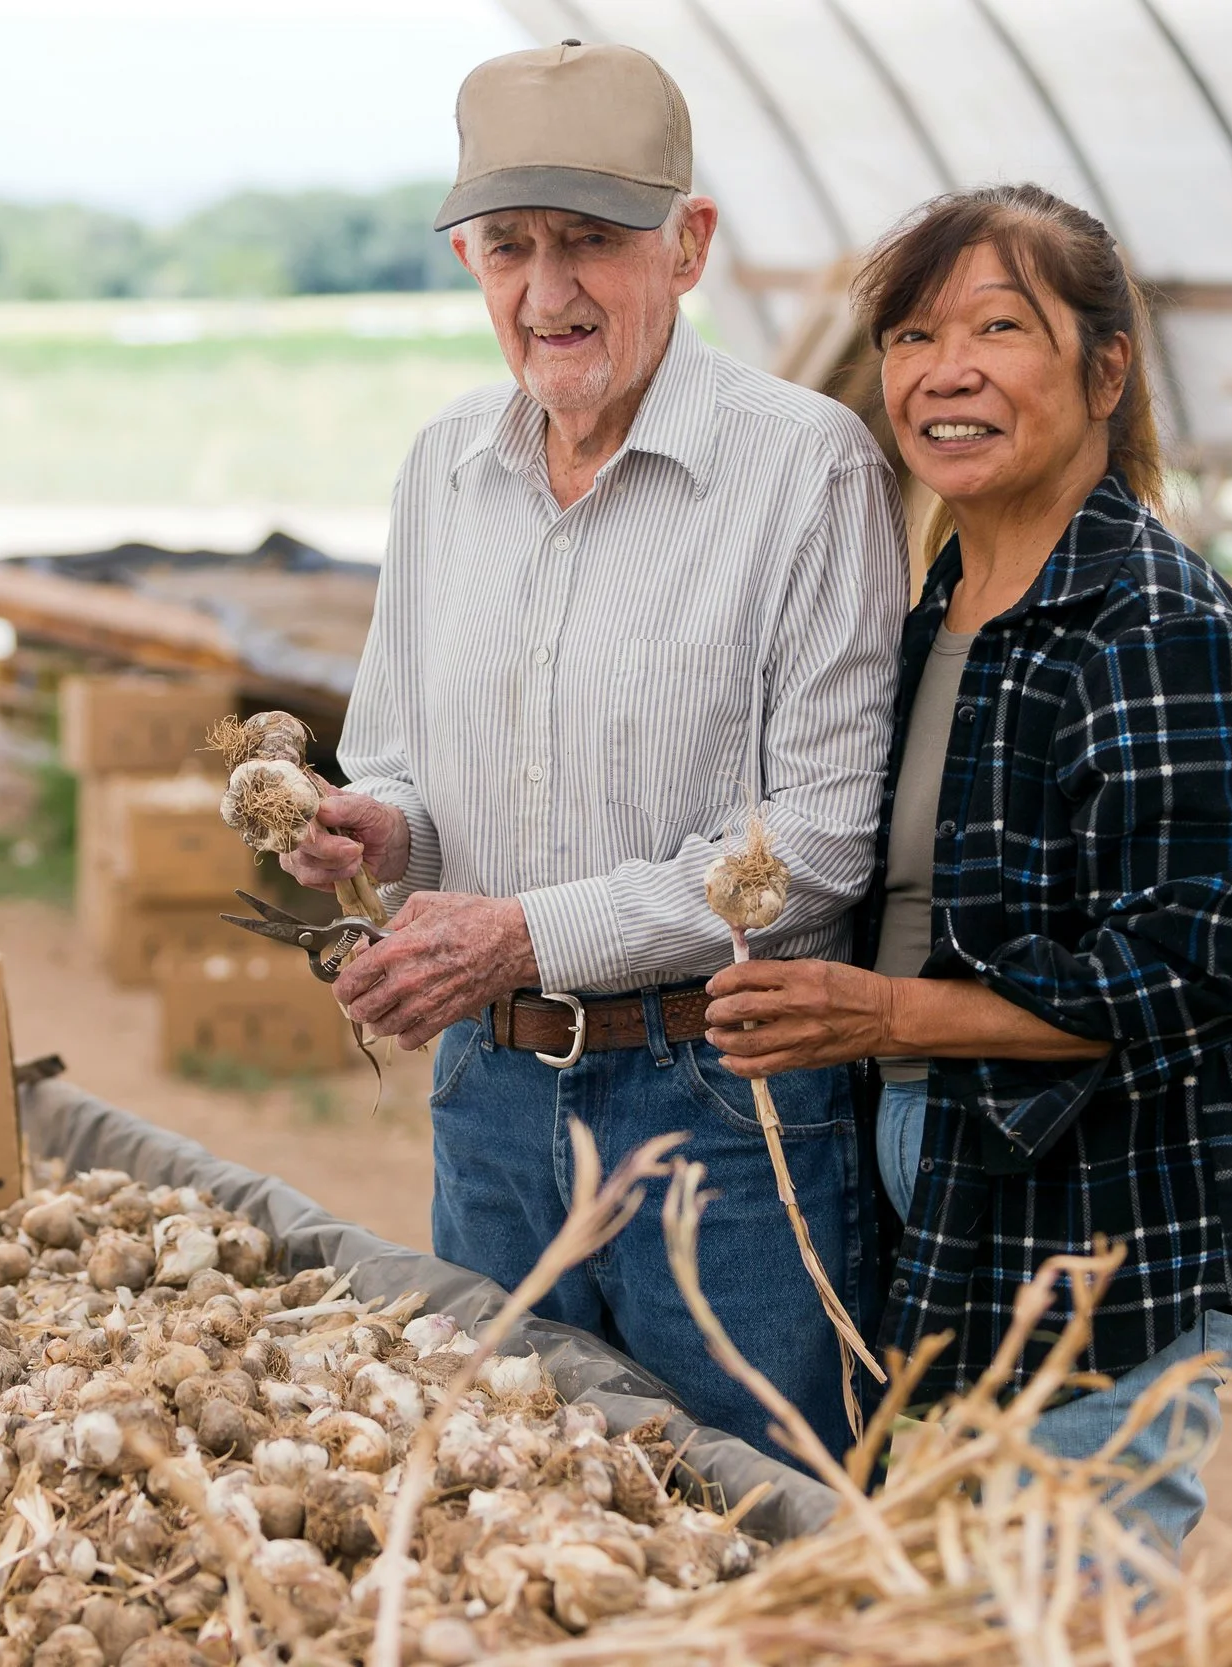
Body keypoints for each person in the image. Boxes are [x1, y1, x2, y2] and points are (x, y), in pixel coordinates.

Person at [279, 40, 909, 1467]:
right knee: (506, 1506)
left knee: (758, 1521)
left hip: (724, 1114)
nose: (547, 292)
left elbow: (811, 841)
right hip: (491, 1103)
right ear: (468, 258)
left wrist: (522, 933)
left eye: (593, 242)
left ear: (688, 246)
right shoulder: (444, 470)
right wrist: (379, 829)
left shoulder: (805, 468)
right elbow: (403, 764)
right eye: (510, 246)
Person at [703, 183, 1232, 1547]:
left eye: (1000, 326)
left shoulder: (1155, 628)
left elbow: (1178, 975)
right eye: (914, 336)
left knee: (1074, 1588)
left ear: (1106, 368)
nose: (946, 371)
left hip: (1113, 1202)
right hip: (953, 1159)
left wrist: (877, 1013)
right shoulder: (945, 607)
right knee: (953, 1589)